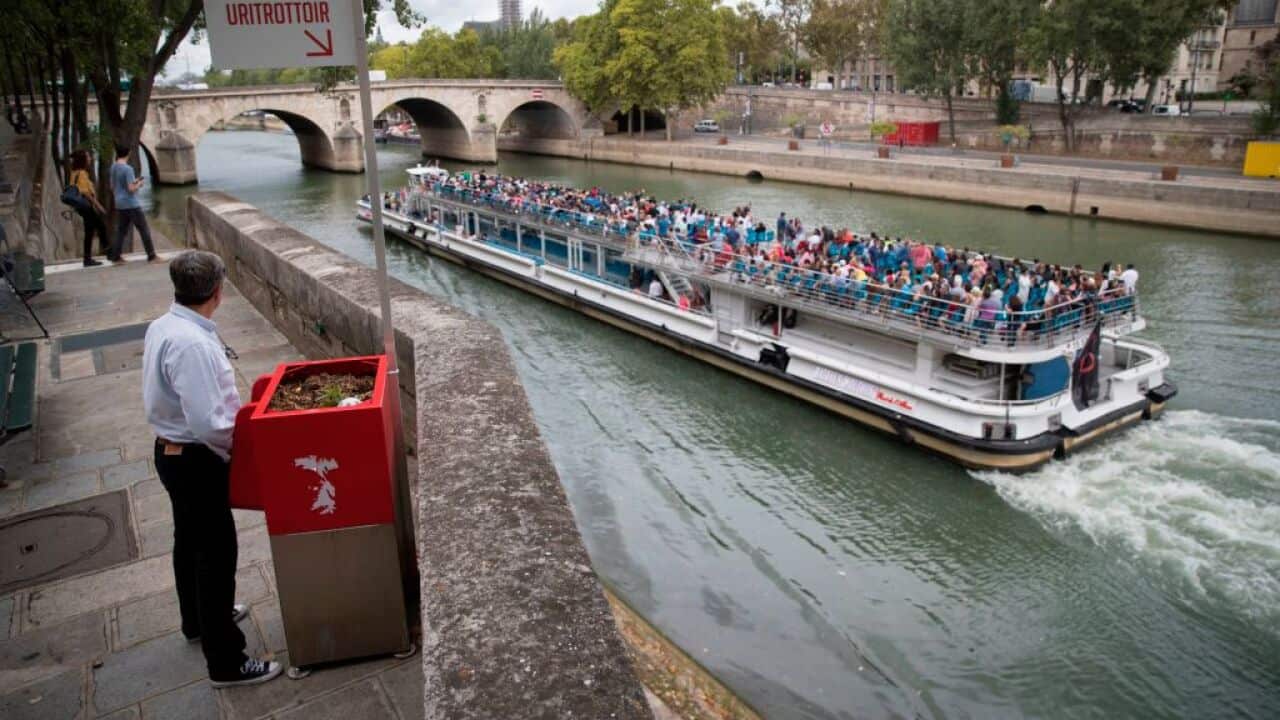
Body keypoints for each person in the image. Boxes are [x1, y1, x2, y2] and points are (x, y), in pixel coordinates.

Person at [142, 251, 282, 688]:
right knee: (216, 556)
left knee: (189, 544)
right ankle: (227, 661)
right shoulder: (193, 344)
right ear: (218, 292)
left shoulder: (164, 326)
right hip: (197, 458)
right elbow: (209, 423)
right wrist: (237, 453)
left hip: (171, 452)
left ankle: (197, 621)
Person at [109, 144, 158, 263]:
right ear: (128, 153)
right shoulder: (127, 169)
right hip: (131, 203)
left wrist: (134, 182)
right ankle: (151, 255)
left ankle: (116, 256)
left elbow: (113, 186)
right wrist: (139, 184)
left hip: (119, 203)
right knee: (144, 229)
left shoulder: (114, 167)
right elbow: (131, 189)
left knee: (121, 230)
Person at [68, 150, 106, 267]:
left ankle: (87, 258)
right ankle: (109, 250)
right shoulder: (82, 174)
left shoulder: (74, 172)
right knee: (99, 226)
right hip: (86, 206)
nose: (90, 159)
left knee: (90, 231)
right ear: (83, 160)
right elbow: (85, 193)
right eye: (88, 157)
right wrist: (99, 206)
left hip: (81, 206)